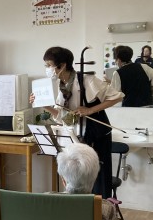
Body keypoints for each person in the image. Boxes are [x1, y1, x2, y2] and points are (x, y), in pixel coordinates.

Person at [29, 46, 123, 198]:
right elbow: (63, 117)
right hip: (77, 137)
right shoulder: (62, 85)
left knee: (98, 179)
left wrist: (90, 110)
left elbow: (117, 97)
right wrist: (44, 105)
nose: (47, 69)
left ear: (62, 65)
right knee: (77, 179)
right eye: (46, 65)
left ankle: (100, 209)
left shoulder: (86, 80)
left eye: (49, 65)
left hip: (96, 136)